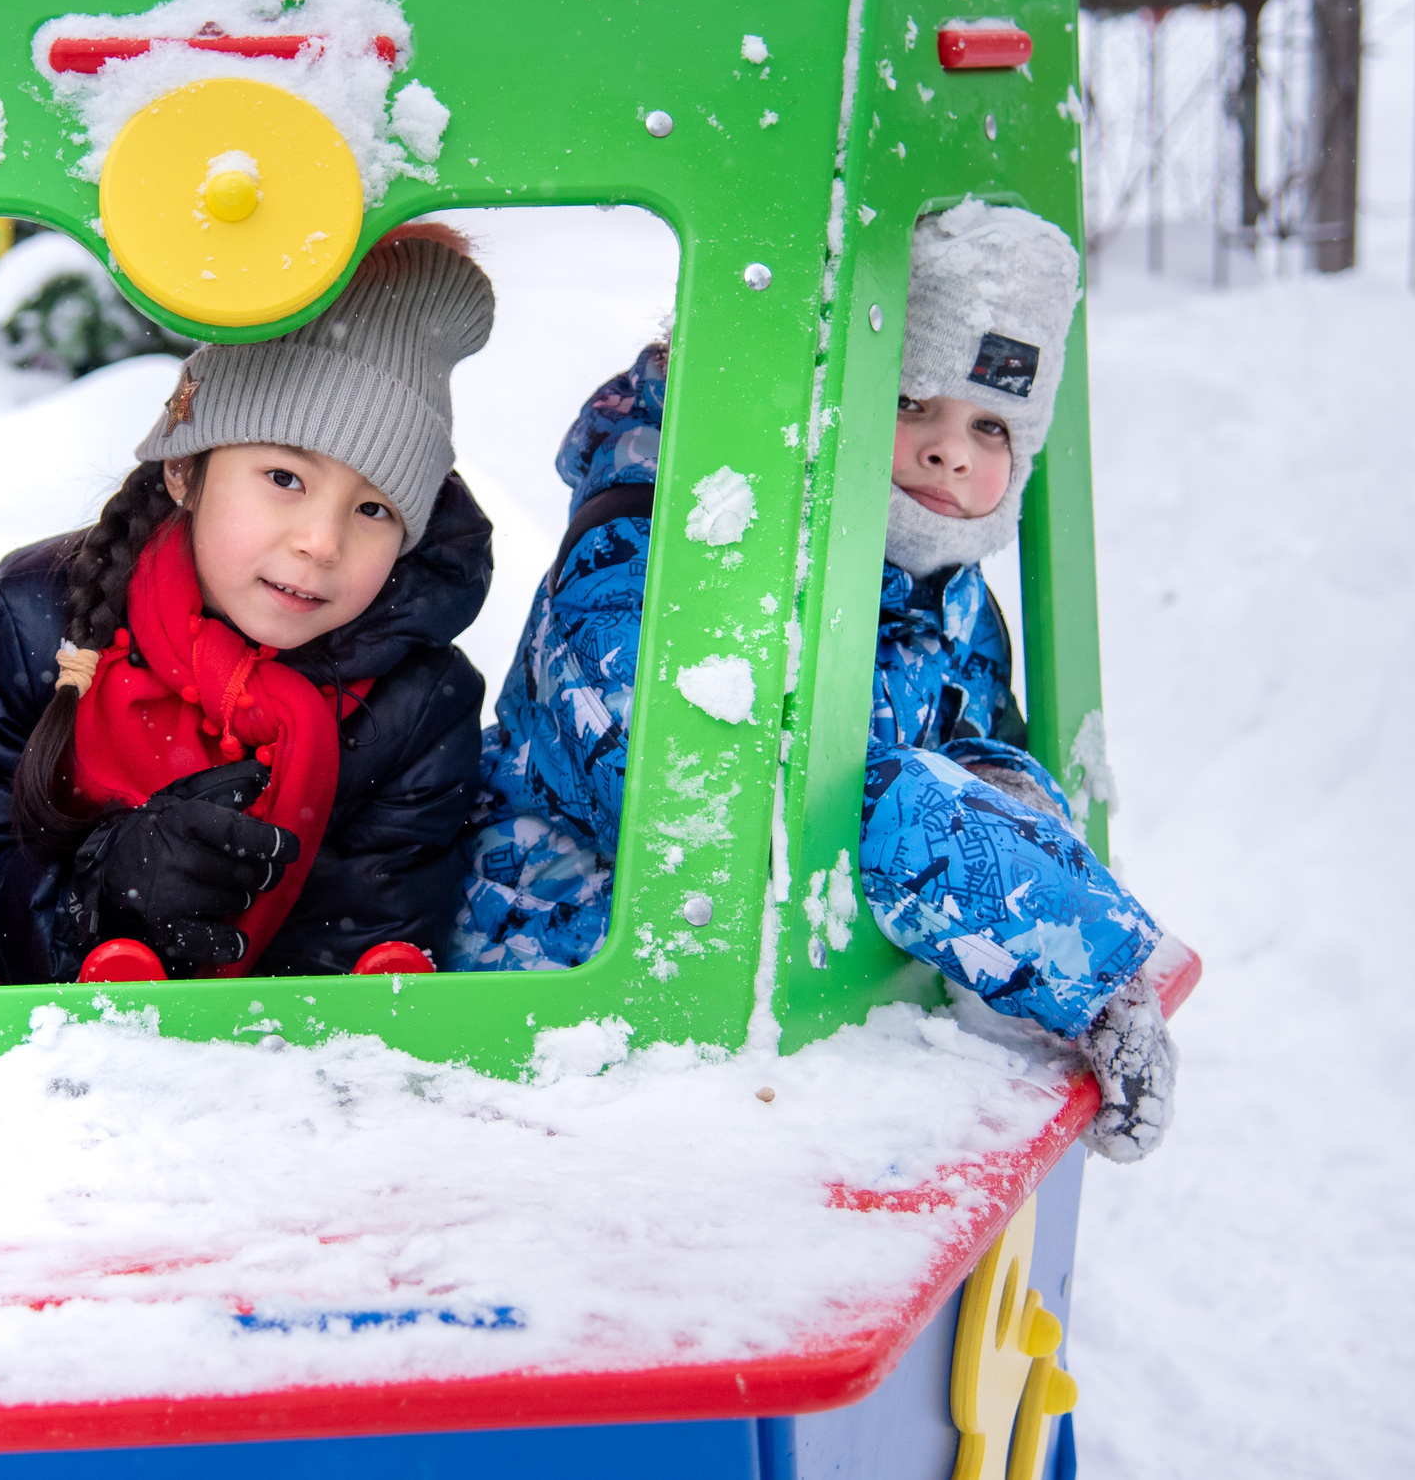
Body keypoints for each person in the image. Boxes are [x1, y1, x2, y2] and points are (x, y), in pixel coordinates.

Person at [453, 201, 1175, 1162]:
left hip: (756, 1007)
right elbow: (757, 813)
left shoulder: (943, 595)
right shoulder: (657, 545)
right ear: (820, 384)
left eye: (992, 425)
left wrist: (1004, 799)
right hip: (565, 993)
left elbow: (960, 751)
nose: (949, 450)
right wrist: (1095, 973)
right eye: (911, 402)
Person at [0, 228, 496, 984]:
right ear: (188, 472)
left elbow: (365, 950)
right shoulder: (32, 618)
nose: (322, 543)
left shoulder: (417, 704)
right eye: (285, 478)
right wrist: (102, 898)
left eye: (374, 510)